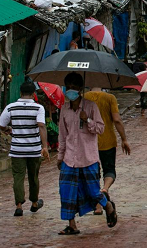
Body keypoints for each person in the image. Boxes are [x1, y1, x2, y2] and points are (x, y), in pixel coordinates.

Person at [57, 73, 116, 234]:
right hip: (69, 158)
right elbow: (62, 135)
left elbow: (100, 128)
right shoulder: (64, 110)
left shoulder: (91, 107)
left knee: (93, 191)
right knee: (66, 191)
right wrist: (60, 156)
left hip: (88, 157)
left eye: (74, 87)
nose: (71, 90)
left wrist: (87, 120)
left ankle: (107, 205)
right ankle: (72, 225)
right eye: (68, 87)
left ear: (80, 89)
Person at [0, 81, 49, 217]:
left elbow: (1, 124)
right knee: (34, 177)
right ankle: (34, 202)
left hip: (17, 149)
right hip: (33, 149)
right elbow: (41, 126)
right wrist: (44, 146)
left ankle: (19, 206)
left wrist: (9, 130)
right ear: (33, 94)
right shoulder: (38, 108)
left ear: (20, 93)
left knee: (18, 177)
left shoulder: (11, 107)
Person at [82, 89, 131, 215]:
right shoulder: (110, 98)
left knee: (94, 174)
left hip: (89, 143)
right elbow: (117, 120)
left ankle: (98, 206)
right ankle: (105, 188)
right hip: (108, 140)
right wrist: (124, 139)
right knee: (109, 170)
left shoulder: (83, 98)